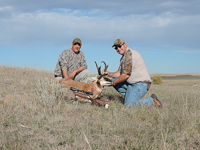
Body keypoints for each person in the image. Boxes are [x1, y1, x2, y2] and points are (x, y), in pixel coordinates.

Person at [103, 39, 162, 108]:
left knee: (129, 105)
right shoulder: (123, 58)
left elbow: (125, 75)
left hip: (141, 84)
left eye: (119, 46)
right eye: (116, 48)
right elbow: (120, 73)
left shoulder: (129, 54)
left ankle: (152, 100)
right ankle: (131, 98)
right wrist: (108, 74)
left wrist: (112, 83)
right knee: (112, 80)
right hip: (132, 84)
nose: (118, 49)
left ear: (125, 45)